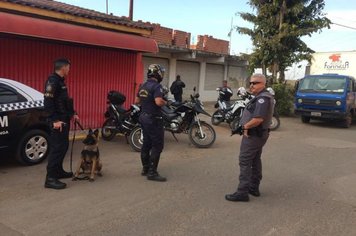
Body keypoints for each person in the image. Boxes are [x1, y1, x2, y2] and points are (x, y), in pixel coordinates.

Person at [225, 74, 274, 202]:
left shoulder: (262, 99)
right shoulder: (261, 97)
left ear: (264, 84)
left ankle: (242, 192)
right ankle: (253, 187)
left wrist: (245, 127)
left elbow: (258, 119)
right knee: (255, 160)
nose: (252, 85)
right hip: (258, 134)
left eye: (256, 83)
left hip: (254, 135)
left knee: (245, 161)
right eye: (251, 83)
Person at [44, 58, 79, 190]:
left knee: (63, 146)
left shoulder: (60, 82)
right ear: (63, 68)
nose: (69, 70)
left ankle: (58, 171)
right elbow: (48, 102)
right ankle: (50, 178)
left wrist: (72, 113)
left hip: (64, 119)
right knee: (57, 148)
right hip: (58, 121)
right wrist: (54, 120)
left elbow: (64, 101)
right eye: (68, 67)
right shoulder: (52, 81)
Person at [135, 64, 167, 182]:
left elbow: (137, 101)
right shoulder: (157, 86)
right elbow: (158, 102)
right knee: (157, 145)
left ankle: (145, 169)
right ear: (157, 73)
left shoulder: (142, 86)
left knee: (146, 144)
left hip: (143, 117)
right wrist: (165, 102)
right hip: (154, 119)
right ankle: (152, 173)